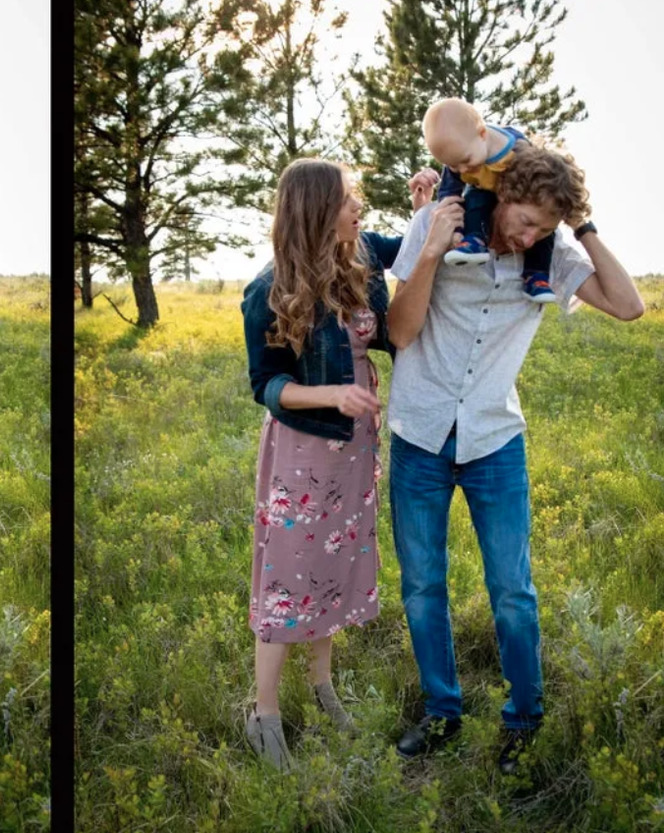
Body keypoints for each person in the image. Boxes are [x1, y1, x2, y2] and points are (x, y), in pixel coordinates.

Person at [387, 144, 643, 774]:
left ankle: (523, 721)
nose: (530, 234)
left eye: (544, 228)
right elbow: (398, 331)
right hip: (419, 434)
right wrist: (428, 251)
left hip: (494, 440)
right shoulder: (440, 221)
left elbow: (629, 305)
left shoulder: (551, 253)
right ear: (501, 195)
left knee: (513, 594)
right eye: (525, 219)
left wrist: (577, 224)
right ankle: (443, 713)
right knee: (423, 588)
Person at [240, 159, 436, 771]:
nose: (359, 208)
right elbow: (266, 386)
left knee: (331, 568)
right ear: (318, 209)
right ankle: (263, 713)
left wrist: (425, 206)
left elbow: (415, 248)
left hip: (354, 449)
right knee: (286, 582)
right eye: (350, 199)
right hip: (303, 453)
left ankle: (323, 688)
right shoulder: (268, 289)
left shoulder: (364, 260)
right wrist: (332, 395)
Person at [423, 97, 554, 303]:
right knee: (473, 199)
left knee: (541, 228)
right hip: (484, 189)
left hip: (517, 197)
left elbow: (537, 177)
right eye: (453, 166)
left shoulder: (515, 148)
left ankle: (537, 275)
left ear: (483, 134)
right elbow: (450, 193)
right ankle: (474, 240)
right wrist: (455, 230)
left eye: (465, 161)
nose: (462, 170)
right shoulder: (458, 158)